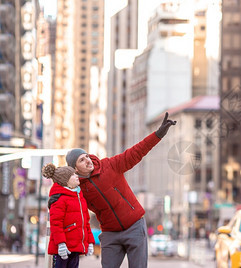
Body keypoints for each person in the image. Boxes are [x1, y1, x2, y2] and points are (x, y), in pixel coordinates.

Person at [65, 112, 176, 268]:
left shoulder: (109, 165)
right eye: (81, 160)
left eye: (87, 156)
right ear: (75, 169)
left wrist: (158, 135)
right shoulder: (78, 188)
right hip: (110, 234)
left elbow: (137, 152)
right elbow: (68, 205)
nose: (87, 161)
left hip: (134, 226)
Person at [42, 163, 95, 268]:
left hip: (75, 247)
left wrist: (90, 242)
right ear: (65, 180)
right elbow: (56, 224)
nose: (77, 176)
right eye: (73, 175)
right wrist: (61, 244)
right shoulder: (60, 199)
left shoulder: (79, 197)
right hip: (63, 248)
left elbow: (86, 223)